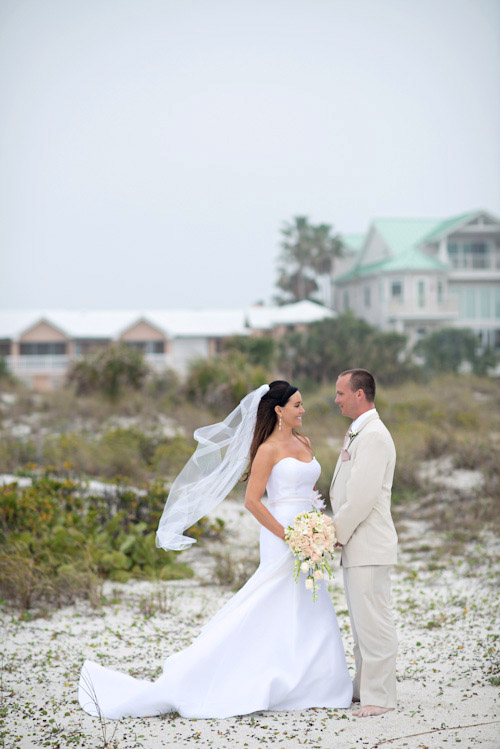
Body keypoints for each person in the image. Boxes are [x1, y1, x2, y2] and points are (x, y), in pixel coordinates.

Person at [79, 381, 353, 720]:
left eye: (302, 404)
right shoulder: (267, 449)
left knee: (310, 598)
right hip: (279, 531)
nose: (303, 410)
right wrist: (290, 535)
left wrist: (317, 528)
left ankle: (316, 682)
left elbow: (309, 490)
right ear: (279, 410)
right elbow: (252, 502)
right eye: (297, 405)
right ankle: (238, 671)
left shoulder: (304, 441)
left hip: (309, 531)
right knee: (272, 597)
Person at [330, 368, 398, 718]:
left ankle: (380, 697)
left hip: (368, 543)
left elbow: (360, 498)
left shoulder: (373, 436)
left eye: (341, 393)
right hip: (357, 545)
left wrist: (333, 534)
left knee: (375, 622)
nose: (336, 399)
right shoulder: (360, 431)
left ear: (360, 394)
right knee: (360, 624)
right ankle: (364, 688)